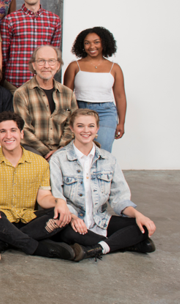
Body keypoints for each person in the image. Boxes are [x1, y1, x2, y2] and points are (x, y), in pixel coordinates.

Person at [50, 109, 156, 260]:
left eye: (91, 126)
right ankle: (121, 243)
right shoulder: (58, 158)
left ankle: (96, 248)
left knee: (141, 226)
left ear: (97, 128)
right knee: (64, 232)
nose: (86, 130)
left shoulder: (109, 159)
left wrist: (139, 215)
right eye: (80, 126)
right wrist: (73, 217)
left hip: (100, 221)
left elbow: (120, 199)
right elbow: (57, 196)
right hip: (73, 222)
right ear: (72, 128)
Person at [0, 111, 76, 260]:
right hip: (1, 218)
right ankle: (37, 247)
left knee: (60, 213)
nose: (8, 136)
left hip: (29, 219)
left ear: (21, 134)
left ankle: (5, 242)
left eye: (13, 130)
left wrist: (59, 201)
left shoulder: (40, 162)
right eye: (3, 131)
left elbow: (43, 198)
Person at [63, 27, 126, 153]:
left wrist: (121, 123)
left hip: (106, 113)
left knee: (102, 151)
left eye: (96, 42)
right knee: (80, 150)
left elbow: (120, 96)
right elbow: (66, 95)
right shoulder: (74, 66)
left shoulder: (114, 68)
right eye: (87, 43)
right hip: (79, 109)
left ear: (104, 43)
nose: (92, 46)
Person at [13, 45, 77, 159]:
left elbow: (72, 125)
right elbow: (23, 129)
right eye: (41, 61)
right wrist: (47, 153)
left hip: (63, 149)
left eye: (51, 61)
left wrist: (61, 149)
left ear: (58, 65)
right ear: (34, 65)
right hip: (32, 149)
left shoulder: (68, 94)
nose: (46, 66)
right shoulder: (22, 93)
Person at [1, 0, 62, 89]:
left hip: (43, 84)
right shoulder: (10, 20)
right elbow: (3, 56)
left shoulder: (54, 20)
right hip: (15, 84)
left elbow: (55, 56)